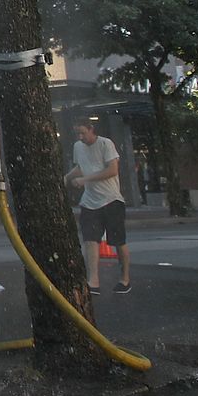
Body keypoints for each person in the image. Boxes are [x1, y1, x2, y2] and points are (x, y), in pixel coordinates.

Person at [65, 120, 131, 294]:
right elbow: (81, 167)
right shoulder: (78, 147)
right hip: (90, 201)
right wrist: (66, 178)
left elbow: (112, 170)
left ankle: (125, 279)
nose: (80, 137)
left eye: (83, 133)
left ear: (91, 129)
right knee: (90, 239)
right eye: (77, 134)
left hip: (111, 200)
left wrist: (85, 180)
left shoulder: (105, 144)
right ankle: (93, 280)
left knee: (118, 241)